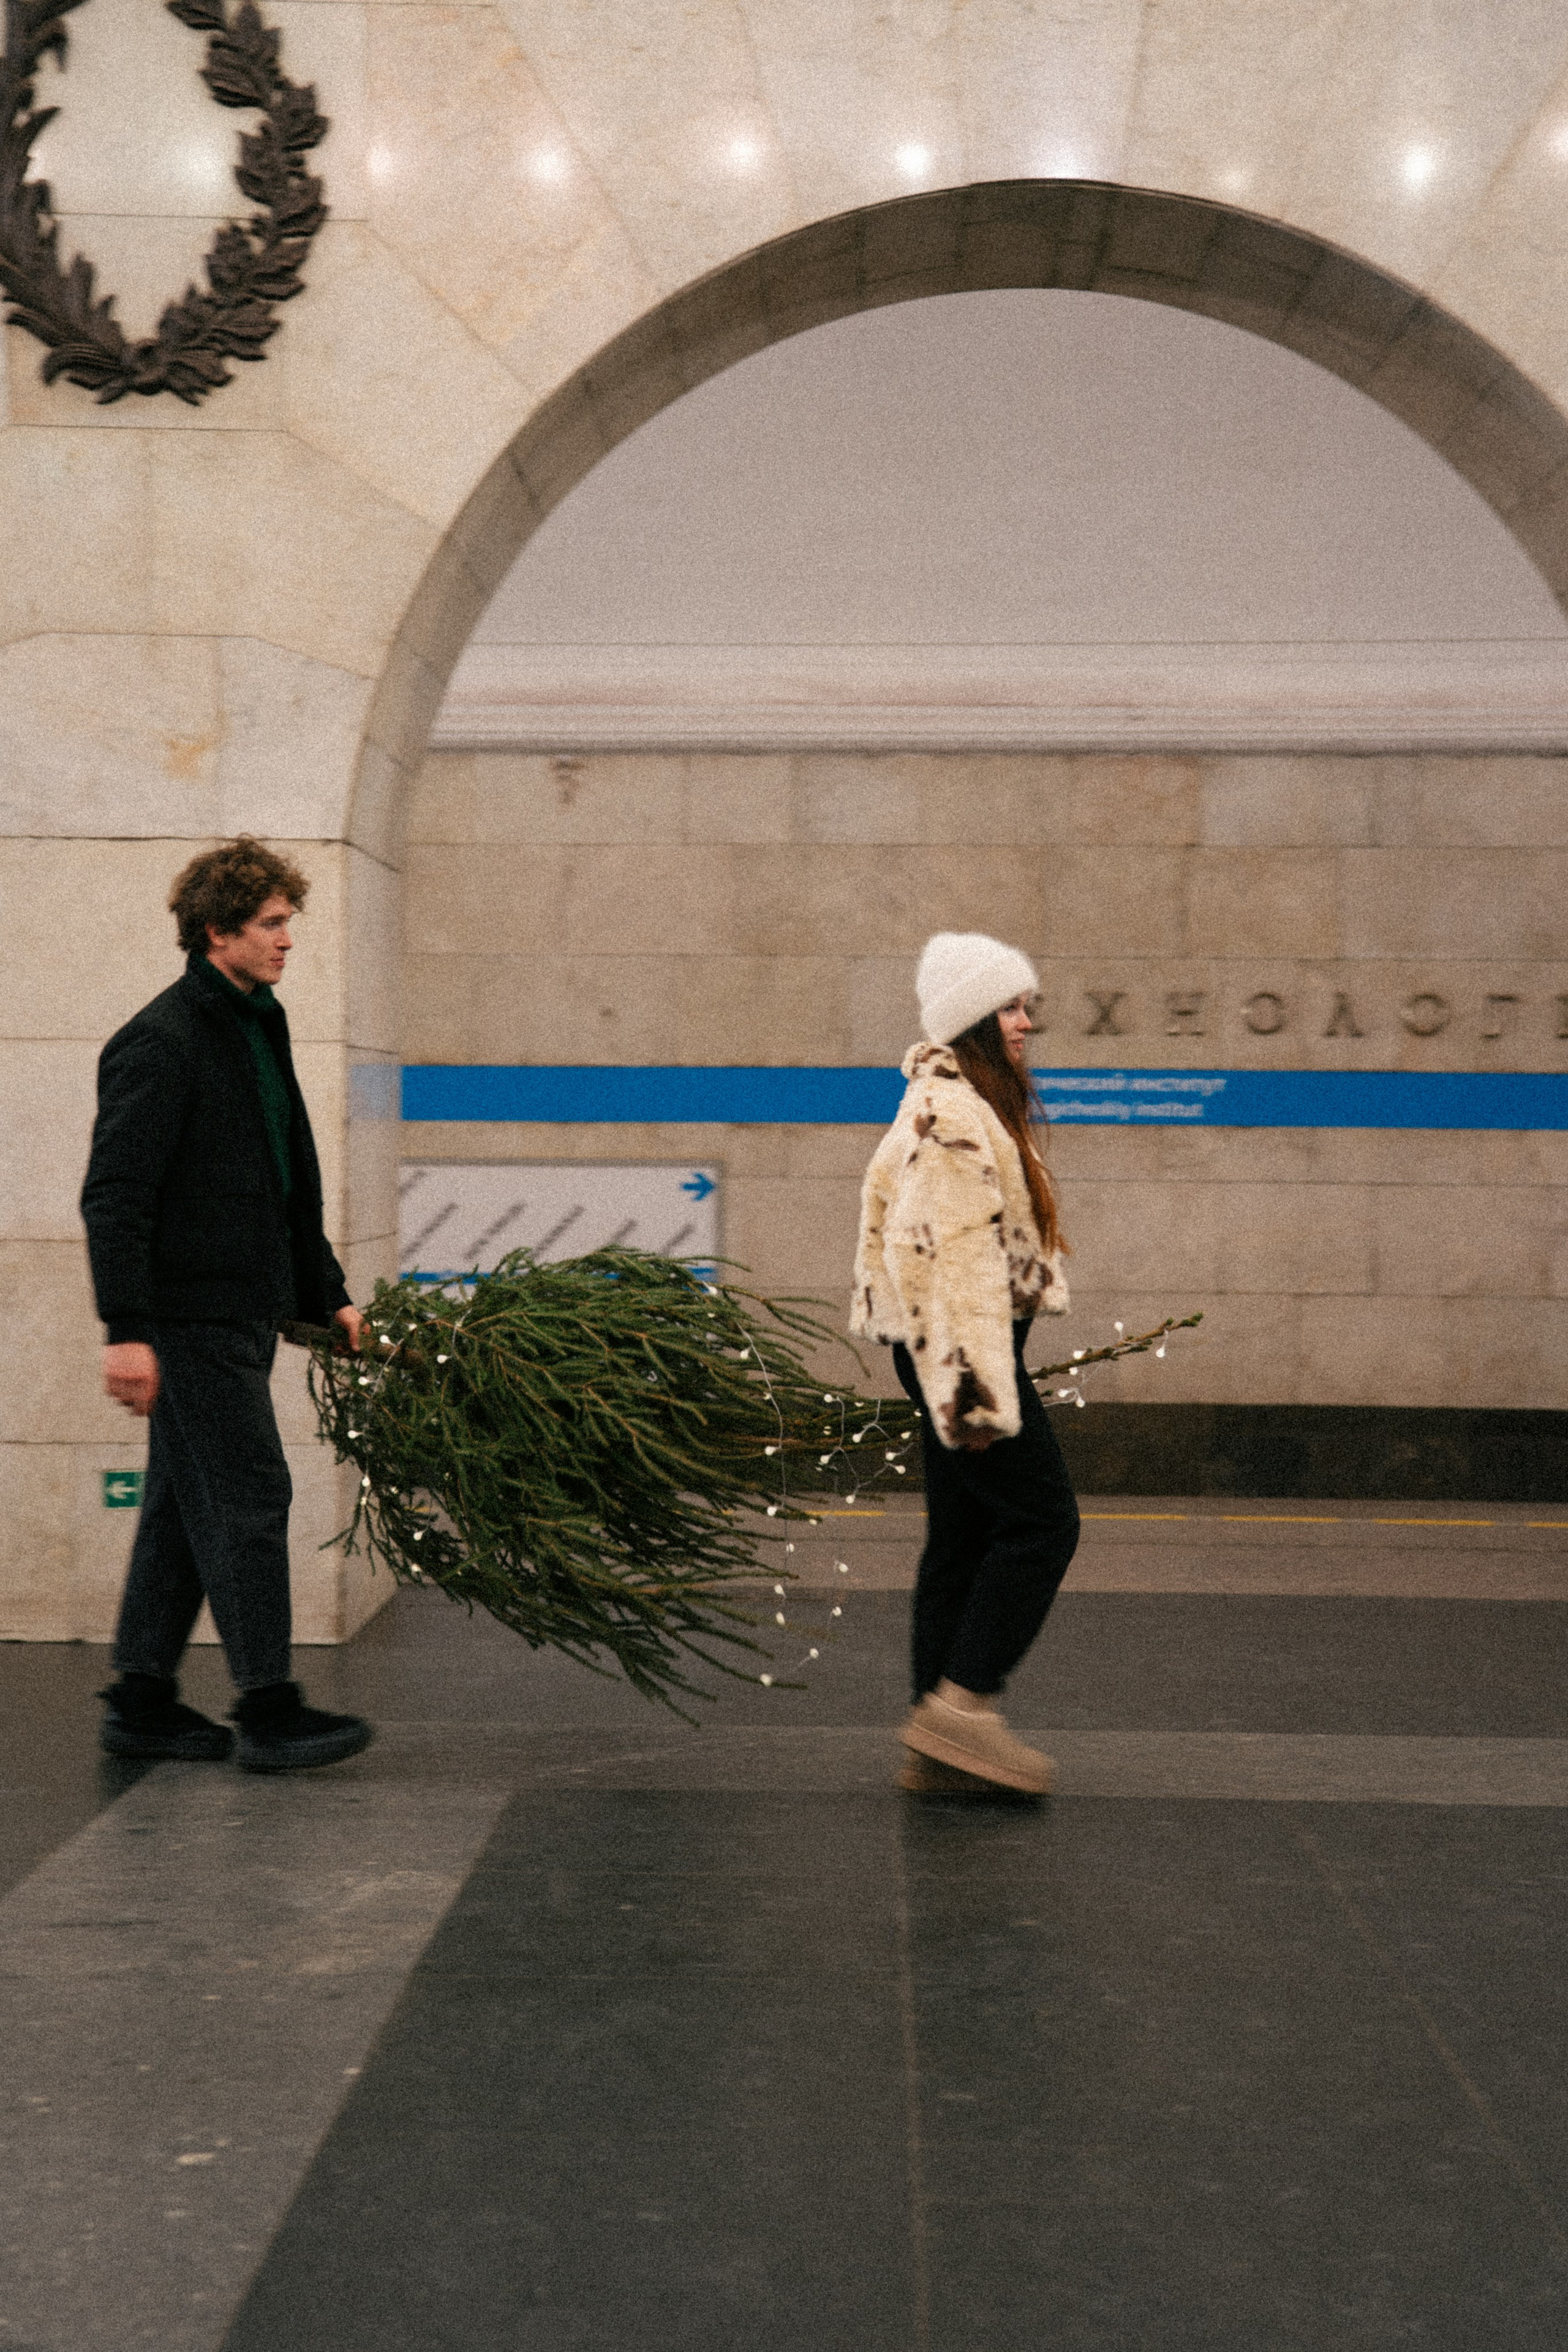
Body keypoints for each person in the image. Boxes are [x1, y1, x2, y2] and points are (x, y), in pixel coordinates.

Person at [80, 839, 374, 1773]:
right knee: (249, 1496)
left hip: (239, 1318)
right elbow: (116, 1196)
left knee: (180, 1504)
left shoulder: (257, 1020)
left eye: (290, 921)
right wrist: (126, 1332)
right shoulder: (162, 1040)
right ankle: (269, 1708)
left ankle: (140, 1699)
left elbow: (284, 1173)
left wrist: (324, 1295)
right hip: (187, 1321)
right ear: (218, 932)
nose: (290, 939)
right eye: (273, 924)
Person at [851, 931, 1080, 1796]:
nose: (1026, 1024)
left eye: (1026, 1008)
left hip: (953, 1354)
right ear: (974, 1023)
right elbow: (947, 1267)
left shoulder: (952, 1103)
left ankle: (935, 1748)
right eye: (1012, 1009)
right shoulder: (951, 1116)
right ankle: (963, 1708)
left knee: (962, 1539)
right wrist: (973, 1401)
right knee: (1045, 1524)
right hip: (963, 1357)